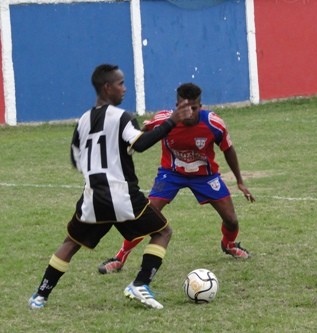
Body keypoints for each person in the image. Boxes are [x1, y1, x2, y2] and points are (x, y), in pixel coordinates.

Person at [28, 64, 192, 310]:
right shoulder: (121, 117)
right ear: (107, 87)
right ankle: (140, 284)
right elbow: (140, 145)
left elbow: (76, 158)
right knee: (163, 232)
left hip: (93, 198)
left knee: (70, 243)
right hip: (122, 196)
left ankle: (39, 296)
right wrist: (170, 121)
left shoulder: (82, 121)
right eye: (120, 83)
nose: (124, 88)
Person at [98, 82, 255, 275]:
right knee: (147, 216)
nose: (189, 112)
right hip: (171, 174)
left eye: (194, 108)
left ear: (201, 106)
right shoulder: (164, 120)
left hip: (205, 176)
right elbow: (140, 138)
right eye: (183, 107)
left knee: (231, 220)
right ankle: (120, 258)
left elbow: (228, 149)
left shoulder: (214, 124)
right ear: (176, 105)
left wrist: (239, 181)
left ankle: (229, 244)